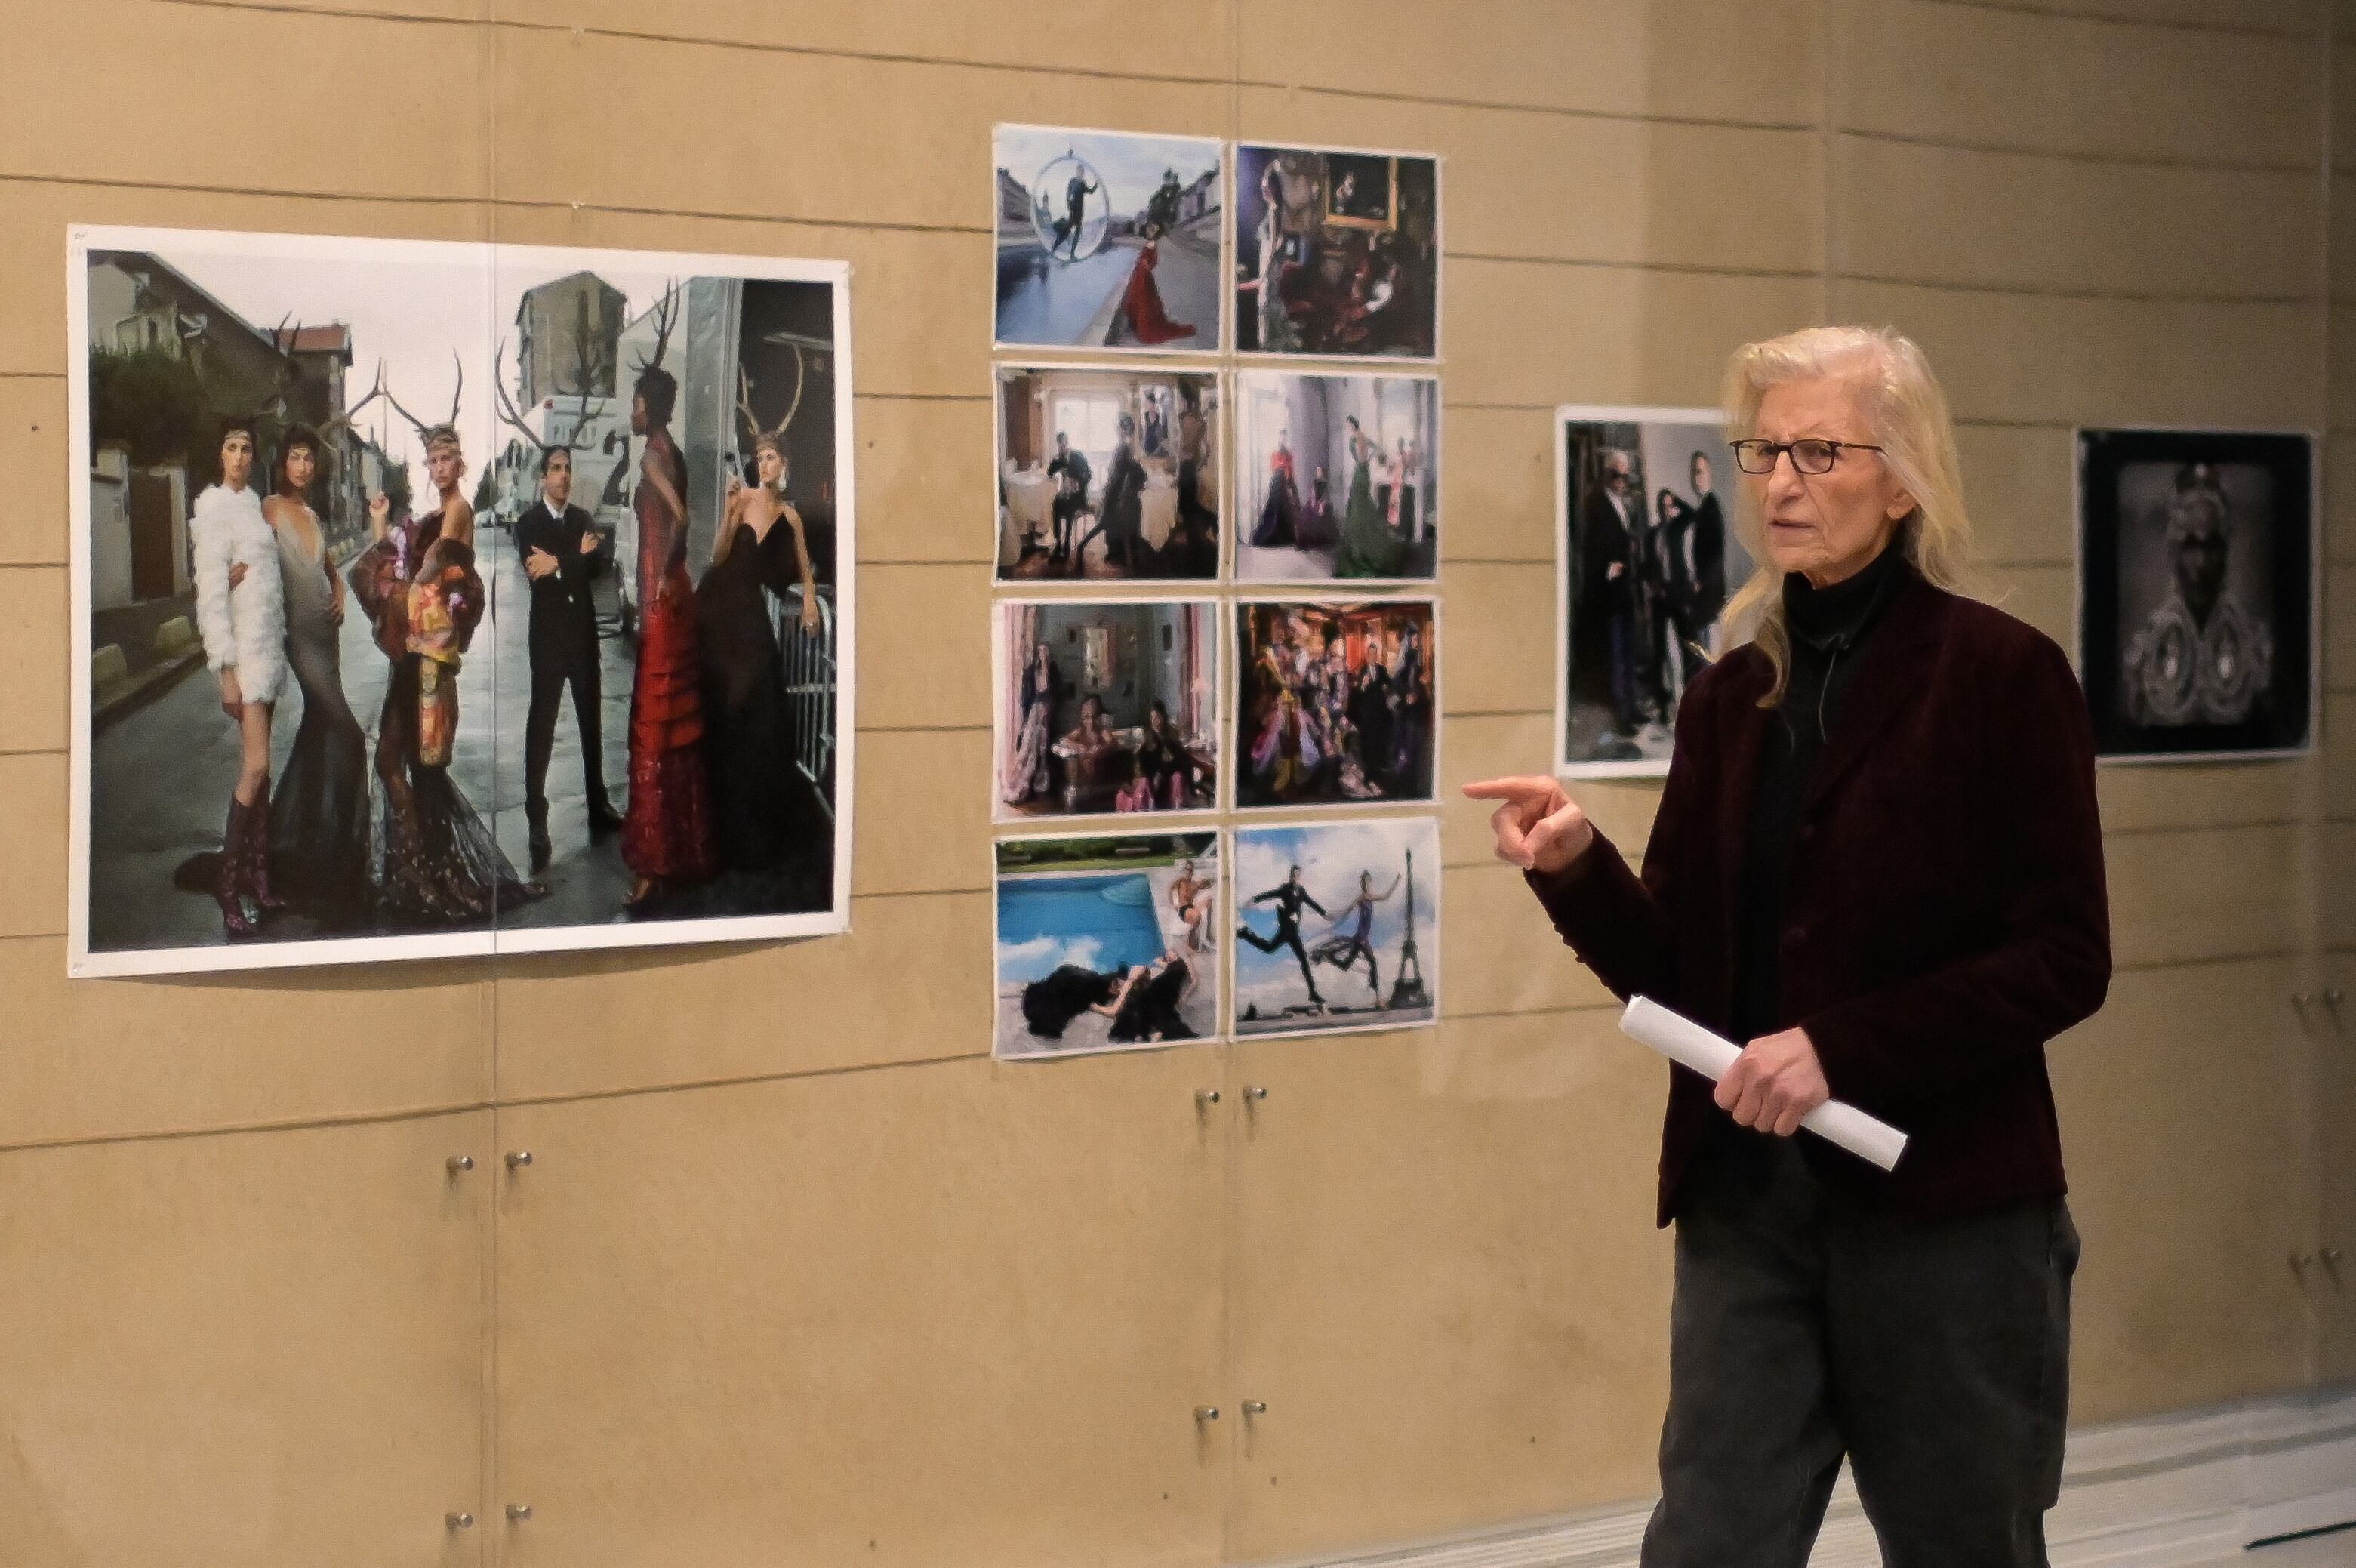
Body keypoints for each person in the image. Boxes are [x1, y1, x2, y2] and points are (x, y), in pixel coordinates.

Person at [1467, 325, 2110, 1568]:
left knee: (1965, 1543)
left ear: (1906, 473)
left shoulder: (2000, 676)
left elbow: (2064, 956)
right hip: (1749, 1201)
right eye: (1764, 451)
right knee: (1706, 1542)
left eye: (1820, 450)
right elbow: (1680, 971)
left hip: (1945, 1208)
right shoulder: (1729, 692)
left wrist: (1838, 1049)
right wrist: (1574, 866)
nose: (1781, 483)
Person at [349, 420, 540, 926]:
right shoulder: (436, 512)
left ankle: (428, 875)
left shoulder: (457, 510)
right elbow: (405, 563)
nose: (438, 469)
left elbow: (421, 574)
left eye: (445, 459)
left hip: (427, 657)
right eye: (431, 461)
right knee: (397, 760)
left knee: (414, 765)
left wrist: (391, 568)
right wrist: (381, 529)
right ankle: (420, 870)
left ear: (461, 462)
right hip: (414, 651)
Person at [620, 307, 716, 907]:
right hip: (674, 596)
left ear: (649, 406)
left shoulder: (653, 454)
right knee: (673, 728)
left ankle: (654, 866)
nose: (630, 412)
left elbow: (681, 517)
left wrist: (656, 581)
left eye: (634, 402)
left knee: (653, 730)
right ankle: (683, 851)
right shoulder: (669, 447)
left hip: (663, 602)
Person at [701, 431, 824, 873]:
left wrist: (810, 600)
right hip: (719, 605)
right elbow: (716, 559)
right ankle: (722, 823)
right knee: (729, 704)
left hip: (750, 610)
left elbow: (806, 567)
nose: (763, 465)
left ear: (783, 464)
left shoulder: (791, 517)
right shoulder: (743, 496)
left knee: (763, 703)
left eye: (770, 457)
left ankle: (754, 826)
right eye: (759, 458)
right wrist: (731, 516)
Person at [261, 426, 369, 927]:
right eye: (295, 457)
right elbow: (254, 565)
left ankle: (302, 843)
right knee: (348, 736)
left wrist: (341, 596)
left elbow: (334, 570)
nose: (303, 465)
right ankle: (343, 854)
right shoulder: (270, 509)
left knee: (317, 733)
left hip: (327, 637)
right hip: (300, 642)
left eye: (308, 458)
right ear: (282, 463)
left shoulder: (311, 515)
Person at [189, 419, 285, 937]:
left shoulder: (254, 506)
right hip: (243, 661)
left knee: (263, 774)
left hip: (266, 656)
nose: (240, 455)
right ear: (219, 453)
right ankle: (229, 887)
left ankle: (259, 877)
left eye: (247, 447)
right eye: (231, 446)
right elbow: (210, 600)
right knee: (255, 767)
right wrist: (225, 671)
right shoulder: (212, 510)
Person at [514, 445, 623, 873]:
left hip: (582, 637)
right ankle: (537, 819)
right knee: (541, 725)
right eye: (556, 469)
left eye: (567, 468)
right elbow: (537, 576)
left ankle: (599, 805)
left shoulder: (581, 518)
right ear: (543, 478)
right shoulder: (528, 523)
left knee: (590, 722)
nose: (563, 476)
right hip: (548, 639)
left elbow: (598, 568)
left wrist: (561, 561)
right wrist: (573, 559)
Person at [2120, 462, 2273, 727]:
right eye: (2190, 546)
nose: (2201, 564)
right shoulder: (2145, 651)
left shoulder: (2256, 650)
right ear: (2174, 552)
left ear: (2225, 552)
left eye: (2211, 546)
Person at [1581, 448, 1643, 736]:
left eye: (1624, 476)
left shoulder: (1620, 503)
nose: (1620, 481)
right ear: (1607, 474)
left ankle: (1632, 707)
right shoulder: (1597, 503)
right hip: (1609, 591)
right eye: (1615, 475)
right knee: (1617, 653)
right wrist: (1609, 566)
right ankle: (1623, 714)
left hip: (1625, 589)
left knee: (1628, 651)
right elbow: (1593, 546)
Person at [1237, 864, 1327, 1007]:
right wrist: (1254, 900)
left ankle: (1313, 993)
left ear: (1299, 876)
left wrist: (1324, 914)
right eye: (1293, 874)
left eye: (1297, 875)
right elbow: (1270, 894)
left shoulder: (1301, 891)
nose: (1295, 877)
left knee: (1303, 959)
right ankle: (1245, 934)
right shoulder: (1286, 889)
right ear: (1291, 875)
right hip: (1286, 930)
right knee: (1269, 949)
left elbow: (1311, 903)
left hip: (1294, 933)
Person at [1311, 869, 1398, 1001]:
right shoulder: (1362, 898)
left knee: (1346, 965)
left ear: (1370, 883)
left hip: (1361, 938)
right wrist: (1334, 916)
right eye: (1363, 883)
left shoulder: (1369, 897)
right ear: (1362, 884)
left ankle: (1326, 956)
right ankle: (1378, 999)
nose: (1364, 885)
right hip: (1361, 939)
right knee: (1373, 963)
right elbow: (1348, 910)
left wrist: (1396, 881)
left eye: (1366, 882)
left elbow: (1386, 897)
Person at [1337, 416, 1405, 578]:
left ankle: (1364, 547)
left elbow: (1367, 454)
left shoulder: (1359, 437)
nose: (1347, 428)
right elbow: (1376, 448)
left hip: (1361, 472)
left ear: (1353, 425)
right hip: (1360, 471)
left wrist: (1366, 459)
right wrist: (1369, 458)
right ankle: (1358, 544)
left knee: (1360, 505)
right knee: (1358, 504)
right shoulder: (1359, 437)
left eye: (1348, 425)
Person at [1001, 639, 1063, 806]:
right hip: (1035, 711)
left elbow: (1057, 693)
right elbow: (1026, 694)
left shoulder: (1053, 670)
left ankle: (1042, 785)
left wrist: (1050, 708)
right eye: (1041, 651)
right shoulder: (1032, 671)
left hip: (1048, 712)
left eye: (1046, 651)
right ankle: (1024, 780)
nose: (1043, 654)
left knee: (1044, 750)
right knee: (1030, 745)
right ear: (1037, 653)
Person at [1119, 222, 1196, 347]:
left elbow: (1153, 261)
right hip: (1139, 275)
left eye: (1153, 231)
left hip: (1144, 276)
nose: (1151, 232)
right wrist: (1142, 264)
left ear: (1156, 233)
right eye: (1150, 229)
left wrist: (1145, 265)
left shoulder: (1152, 244)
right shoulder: (1149, 243)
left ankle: (1142, 327)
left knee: (1144, 300)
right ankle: (1136, 324)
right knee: (1137, 298)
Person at [1107, 950, 1198, 1043]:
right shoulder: (1171, 968)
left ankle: (1149, 1033)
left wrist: (1185, 996)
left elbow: (1194, 981)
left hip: (1158, 996)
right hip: (1158, 995)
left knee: (1148, 1004)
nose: (1166, 955)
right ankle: (1149, 1033)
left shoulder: (1180, 964)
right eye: (1167, 955)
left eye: (1170, 952)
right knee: (1147, 1005)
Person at [1045, 432, 1091, 568]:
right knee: (1056, 505)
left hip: (1079, 495)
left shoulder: (1078, 456)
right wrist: (1056, 460)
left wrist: (1079, 482)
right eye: (1060, 445)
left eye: (1064, 443)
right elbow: (1049, 473)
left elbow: (1089, 474)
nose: (1062, 446)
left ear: (1067, 442)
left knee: (1069, 507)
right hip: (1066, 494)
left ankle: (1067, 546)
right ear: (1058, 445)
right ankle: (1059, 543)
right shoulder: (1059, 459)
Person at [1251, 436, 1301, 550]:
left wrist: (1290, 485)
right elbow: (1274, 468)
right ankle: (1270, 536)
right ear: (1279, 440)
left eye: (1285, 439)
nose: (1283, 440)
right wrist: (1282, 467)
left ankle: (1286, 538)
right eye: (1281, 438)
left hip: (1285, 482)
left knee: (1286, 510)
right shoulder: (1275, 454)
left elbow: (1290, 470)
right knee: (1273, 510)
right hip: (1277, 483)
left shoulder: (1289, 455)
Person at [1168, 857, 1214, 952]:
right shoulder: (1181, 881)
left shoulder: (1195, 884)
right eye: (1187, 869)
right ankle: (1189, 943)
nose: (1189, 872)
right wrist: (1173, 904)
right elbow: (1170, 889)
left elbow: (1208, 884)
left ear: (1193, 871)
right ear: (1184, 870)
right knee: (1197, 917)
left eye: (1191, 870)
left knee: (1209, 902)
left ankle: (1208, 932)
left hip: (1191, 907)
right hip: (1183, 909)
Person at [1057, 165, 1099, 259]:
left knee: (1077, 232)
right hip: (1074, 209)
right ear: (1077, 171)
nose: (1082, 173)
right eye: (1080, 171)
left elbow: (1091, 191)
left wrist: (1097, 183)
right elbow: (1068, 194)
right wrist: (1069, 204)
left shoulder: (1083, 183)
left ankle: (1071, 253)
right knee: (1068, 231)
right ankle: (1057, 247)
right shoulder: (1073, 181)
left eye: (1082, 171)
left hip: (1080, 210)